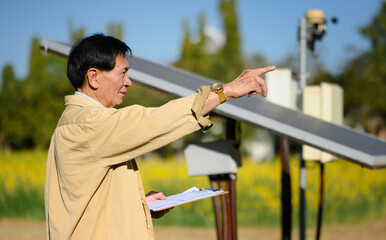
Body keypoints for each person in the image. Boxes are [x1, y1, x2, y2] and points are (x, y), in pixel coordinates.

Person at [44, 33, 275, 240]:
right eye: (123, 72)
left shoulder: (80, 122)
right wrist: (226, 91)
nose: (128, 82)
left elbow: (88, 204)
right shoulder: (86, 124)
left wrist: (138, 204)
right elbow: (153, 122)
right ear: (93, 77)